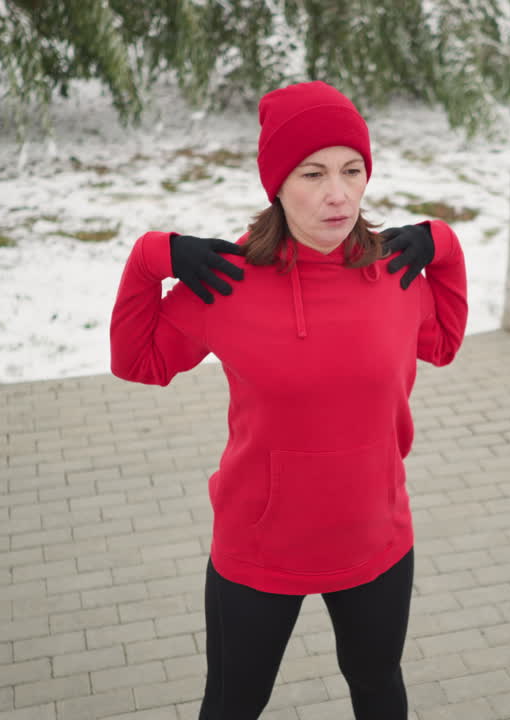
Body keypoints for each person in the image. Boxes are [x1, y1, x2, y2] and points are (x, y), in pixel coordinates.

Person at [109, 80, 468, 720]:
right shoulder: (227, 282)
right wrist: (150, 258)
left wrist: (443, 243)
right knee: (233, 704)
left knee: (378, 686)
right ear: (277, 184)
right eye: (313, 173)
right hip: (260, 547)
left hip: (375, 538)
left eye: (353, 170)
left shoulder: (396, 271)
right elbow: (137, 362)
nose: (339, 194)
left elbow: (442, 345)